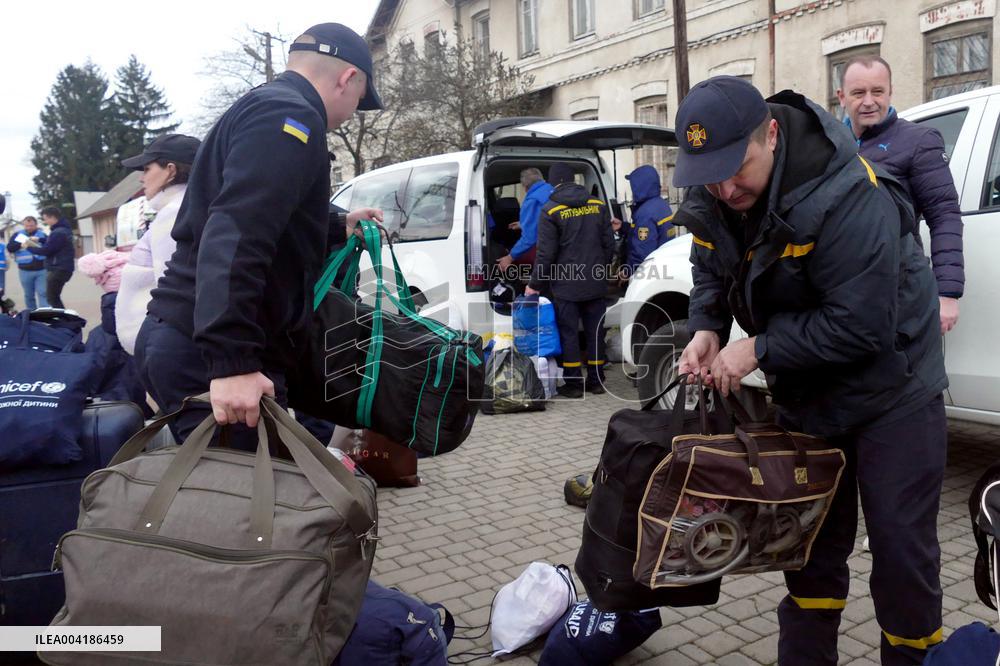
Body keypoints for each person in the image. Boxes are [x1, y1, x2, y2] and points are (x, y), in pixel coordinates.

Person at [673, 76, 947, 666]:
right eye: (709, 175)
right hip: (809, 393)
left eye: (737, 167)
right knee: (810, 542)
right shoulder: (714, 193)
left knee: (901, 554)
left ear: (771, 135)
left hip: (892, 391)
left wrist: (759, 350)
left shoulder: (851, 195)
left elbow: (861, 325)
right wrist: (708, 327)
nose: (723, 188)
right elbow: (710, 266)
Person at [137, 22, 383, 444]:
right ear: (348, 78)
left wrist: (334, 225)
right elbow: (235, 233)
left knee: (252, 498)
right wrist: (231, 361)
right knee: (245, 504)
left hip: (192, 339)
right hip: (208, 353)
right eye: (359, 100)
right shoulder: (289, 116)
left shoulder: (266, 107)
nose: (350, 114)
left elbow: (256, 212)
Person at [837, 55, 964, 335]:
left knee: (907, 376)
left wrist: (948, 293)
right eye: (858, 93)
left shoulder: (918, 141)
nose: (869, 101)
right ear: (841, 97)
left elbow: (944, 216)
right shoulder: (830, 147)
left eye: (878, 91)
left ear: (890, 92)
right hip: (841, 296)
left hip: (900, 292)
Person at [526, 162, 614, 398]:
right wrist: (600, 269)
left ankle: (575, 384)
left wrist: (534, 285)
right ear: (573, 179)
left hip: (566, 284)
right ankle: (597, 380)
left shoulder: (550, 210)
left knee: (569, 332)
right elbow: (609, 244)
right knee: (596, 331)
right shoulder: (597, 205)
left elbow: (546, 254)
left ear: (554, 182)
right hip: (595, 281)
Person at [115, 133, 201, 355]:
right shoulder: (186, 207)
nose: (141, 178)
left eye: (146, 169)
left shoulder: (175, 213)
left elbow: (172, 289)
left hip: (165, 346)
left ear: (170, 170)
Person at [497, 168, 554, 272]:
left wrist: (510, 257)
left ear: (525, 187)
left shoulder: (532, 200)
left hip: (548, 253)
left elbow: (529, 238)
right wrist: (523, 224)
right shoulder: (552, 190)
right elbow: (547, 220)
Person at [623, 165, 674, 275]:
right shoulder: (661, 204)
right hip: (664, 266)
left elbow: (642, 252)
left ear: (639, 185)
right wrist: (623, 226)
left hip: (649, 273)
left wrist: (628, 272)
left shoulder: (645, 213)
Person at [30, 207, 75, 309]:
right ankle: (63, 319)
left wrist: (29, 247)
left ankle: (64, 320)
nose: (45, 222)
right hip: (63, 268)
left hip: (58, 268)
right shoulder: (63, 230)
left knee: (52, 298)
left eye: (45, 219)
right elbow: (54, 244)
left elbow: (47, 250)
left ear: (53, 217)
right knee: (54, 297)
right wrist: (40, 239)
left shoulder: (58, 232)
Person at [7, 216, 48, 309]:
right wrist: (20, 243)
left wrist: (39, 240)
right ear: (23, 225)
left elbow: (50, 246)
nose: (29, 227)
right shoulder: (17, 235)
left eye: (31, 225)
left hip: (42, 269)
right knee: (29, 295)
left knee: (43, 293)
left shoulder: (42, 235)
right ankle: (32, 315)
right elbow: (10, 248)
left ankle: (45, 315)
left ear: (36, 225)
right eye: (27, 226)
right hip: (25, 270)